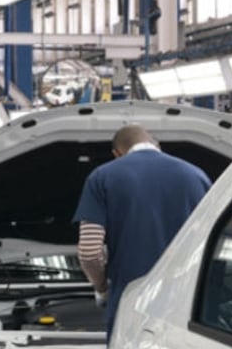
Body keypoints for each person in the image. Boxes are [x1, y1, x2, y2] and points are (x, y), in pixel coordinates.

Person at [73, 125, 211, 337]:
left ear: (116, 154)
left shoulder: (102, 177)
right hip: (188, 304)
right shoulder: (196, 175)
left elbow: (90, 252)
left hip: (132, 303)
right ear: (158, 146)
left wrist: (101, 288)